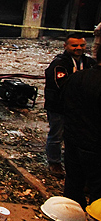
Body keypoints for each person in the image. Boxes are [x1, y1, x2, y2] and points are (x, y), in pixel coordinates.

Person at [44, 33, 96, 177]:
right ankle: (54, 162)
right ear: (65, 46)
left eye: (82, 45)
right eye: (74, 45)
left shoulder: (89, 63)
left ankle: (73, 163)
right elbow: (61, 86)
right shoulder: (59, 64)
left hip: (80, 109)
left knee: (76, 136)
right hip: (59, 108)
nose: (78, 48)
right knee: (56, 135)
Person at [60, 43, 101, 210]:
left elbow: (63, 105)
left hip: (74, 141)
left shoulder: (77, 78)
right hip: (96, 147)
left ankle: (70, 216)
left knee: (73, 184)